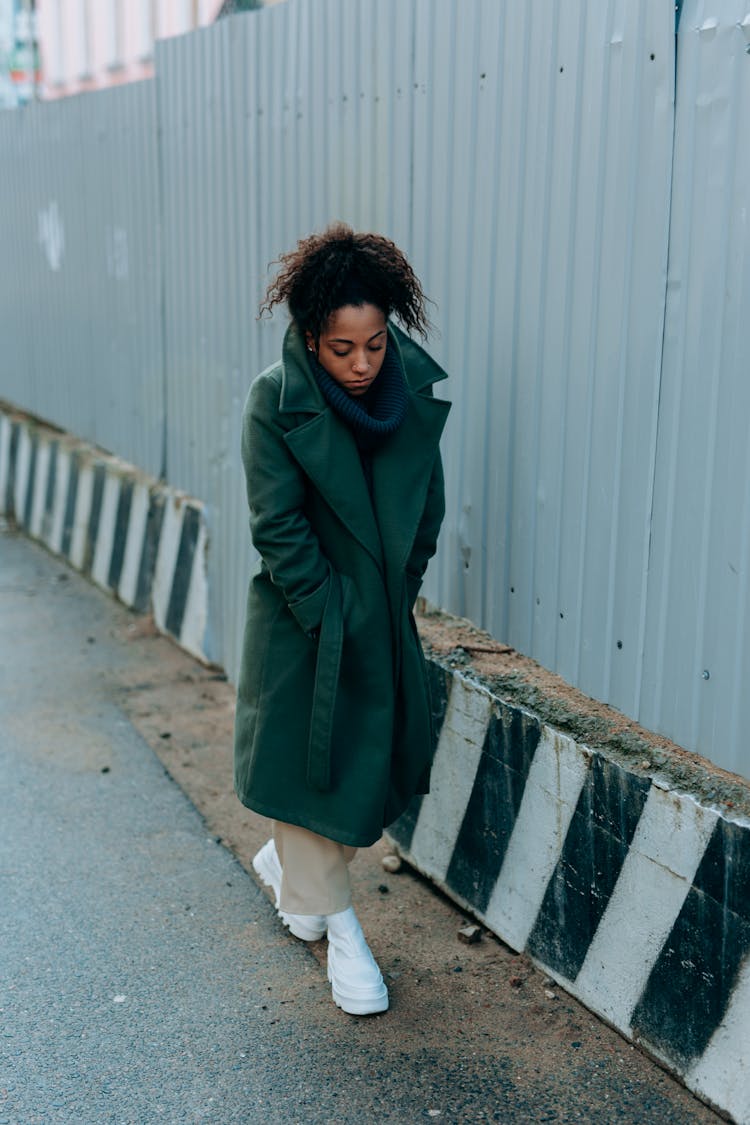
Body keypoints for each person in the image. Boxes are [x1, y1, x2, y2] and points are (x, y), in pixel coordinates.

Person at [233, 223, 450, 1016]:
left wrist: (393, 596)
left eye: (374, 345)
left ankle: (289, 867)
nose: (362, 364)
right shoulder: (273, 401)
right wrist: (332, 613)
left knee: (363, 775)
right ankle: (346, 933)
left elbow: (427, 509)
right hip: (306, 625)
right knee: (316, 774)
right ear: (309, 340)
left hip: (381, 617)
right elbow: (278, 525)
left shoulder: (412, 397)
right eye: (341, 349)